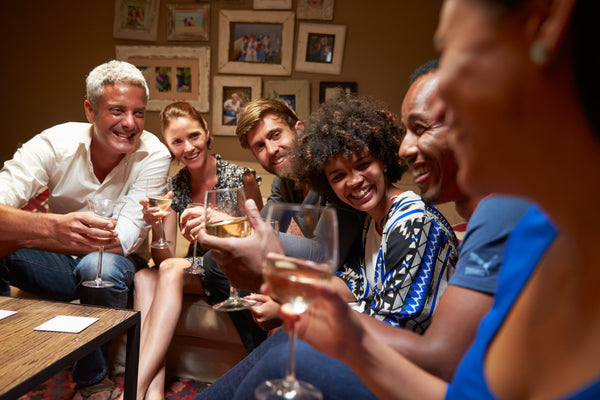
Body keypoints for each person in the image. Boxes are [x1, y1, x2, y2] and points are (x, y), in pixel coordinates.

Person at [276, 0, 600, 399]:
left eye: (452, 59)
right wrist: (349, 342)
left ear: (547, 25)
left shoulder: (486, 217)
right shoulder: (533, 231)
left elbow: (432, 349)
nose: (409, 146)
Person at [194, 63, 531, 400]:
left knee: (284, 356)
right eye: (338, 176)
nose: (353, 182)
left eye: (362, 165)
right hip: (384, 358)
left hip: (411, 374)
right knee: (286, 341)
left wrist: (282, 292)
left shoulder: (413, 220)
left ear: (383, 159)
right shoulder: (371, 221)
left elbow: (400, 326)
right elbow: (353, 284)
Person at [0, 60, 171, 400]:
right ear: (90, 110)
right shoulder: (54, 142)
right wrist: (51, 229)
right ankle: (7, 358)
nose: (129, 123)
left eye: (139, 113)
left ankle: (93, 381)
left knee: (98, 265)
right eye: (118, 110)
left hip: (116, 263)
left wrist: (45, 231)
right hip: (56, 259)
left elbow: (121, 239)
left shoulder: (154, 154)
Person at [131, 101, 263, 400]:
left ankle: (133, 389)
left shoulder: (241, 177)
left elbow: (260, 242)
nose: (188, 147)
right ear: (168, 145)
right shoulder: (175, 185)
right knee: (143, 278)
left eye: (193, 136)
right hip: (195, 268)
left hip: (232, 270)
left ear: (205, 130)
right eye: (177, 142)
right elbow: (164, 259)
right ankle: (151, 395)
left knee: (165, 272)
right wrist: (158, 224)